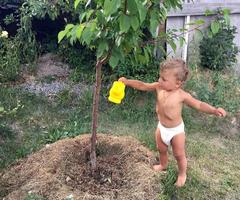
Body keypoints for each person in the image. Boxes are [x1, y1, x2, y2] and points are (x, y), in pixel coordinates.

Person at [118, 58, 226, 187]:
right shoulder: (158, 87)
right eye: (160, 77)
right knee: (161, 149)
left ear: (177, 83)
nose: (159, 80)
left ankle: (182, 174)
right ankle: (163, 164)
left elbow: (199, 104)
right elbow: (143, 85)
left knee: (179, 155)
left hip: (176, 131)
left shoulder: (182, 95)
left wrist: (214, 110)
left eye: (164, 79)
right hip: (161, 127)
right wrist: (126, 82)